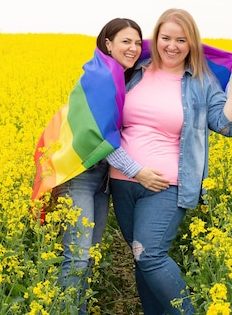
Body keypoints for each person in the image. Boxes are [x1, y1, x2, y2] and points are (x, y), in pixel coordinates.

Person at [109, 8, 232, 314]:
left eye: (181, 40)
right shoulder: (135, 71)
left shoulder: (201, 81)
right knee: (140, 258)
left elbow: (227, 126)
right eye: (165, 38)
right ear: (156, 38)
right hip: (123, 180)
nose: (172, 46)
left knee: (149, 255)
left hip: (166, 184)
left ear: (192, 44)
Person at [32, 17, 162, 315]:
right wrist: (138, 172)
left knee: (88, 256)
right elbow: (101, 139)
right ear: (107, 43)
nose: (132, 48)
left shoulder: (115, 74)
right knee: (77, 257)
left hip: (100, 179)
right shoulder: (101, 78)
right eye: (124, 41)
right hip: (79, 175)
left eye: (136, 42)